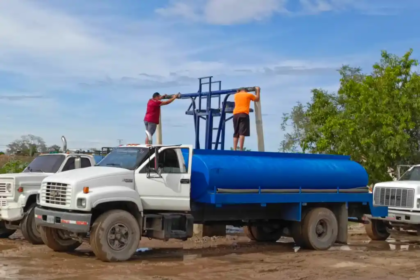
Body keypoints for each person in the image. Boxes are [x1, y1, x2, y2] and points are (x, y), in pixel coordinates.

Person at [232, 86, 260, 151]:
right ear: (246, 91)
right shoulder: (248, 95)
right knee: (242, 132)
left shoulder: (236, 95)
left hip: (235, 114)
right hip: (243, 114)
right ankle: (241, 149)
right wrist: (258, 90)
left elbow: (237, 92)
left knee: (236, 132)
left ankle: (234, 149)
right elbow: (257, 99)